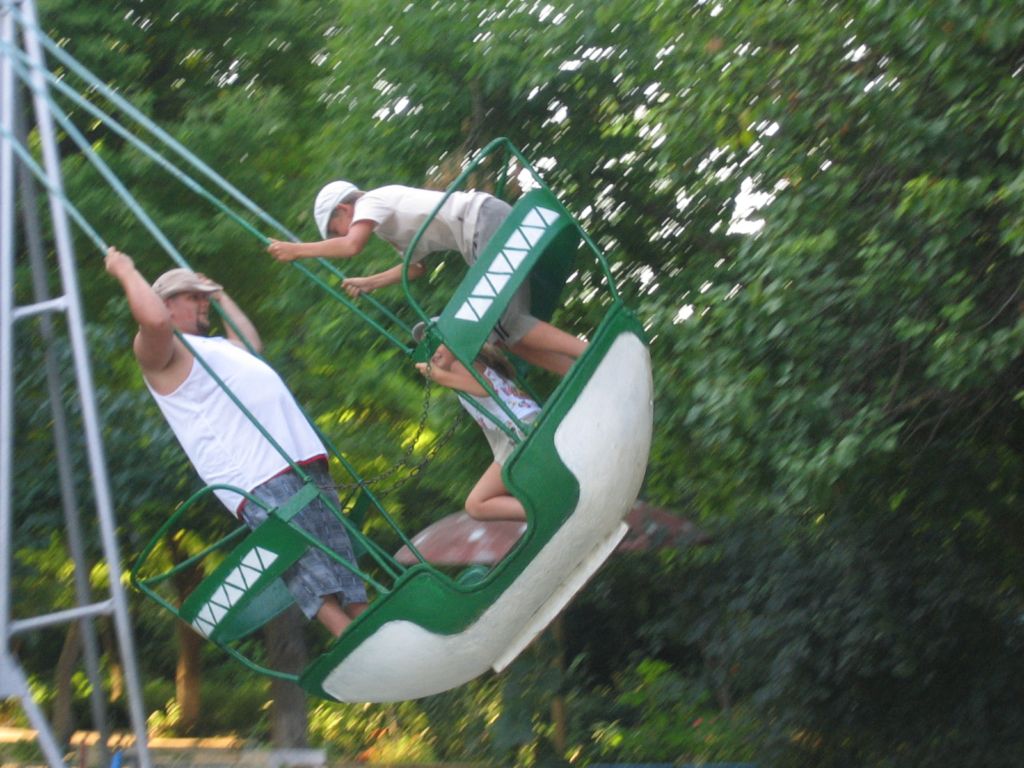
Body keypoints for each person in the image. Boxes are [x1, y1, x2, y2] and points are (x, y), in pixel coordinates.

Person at [104, 246, 368, 637]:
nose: (203, 304)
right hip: (257, 472)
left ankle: (367, 623)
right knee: (301, 556)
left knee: (336, 549)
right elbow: (155, 322)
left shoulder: (216, 346)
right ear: (167, 304)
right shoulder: (163, 354)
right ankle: (343, 632)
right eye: (193, 297)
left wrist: (220, 296)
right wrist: (126, 270)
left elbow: (250, 343)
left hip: (297, 457)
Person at [266, 181, 587, 375]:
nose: (338, 235)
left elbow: (351, 245)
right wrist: (370, 282)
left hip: (483, 221)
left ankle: (588, 355)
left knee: (508, 322)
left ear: (343, 209)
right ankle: (575, 374)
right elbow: (415, 268)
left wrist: (298, 250)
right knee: (501, 335)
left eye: (334, 228)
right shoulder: (386, 228)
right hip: (480, 235)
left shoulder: (371, 201)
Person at [413, 321, 540, 522]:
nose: (432, 352)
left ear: (452, 339)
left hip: (516, 429)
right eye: (426, 347)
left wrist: (438, 375)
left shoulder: (458, 363)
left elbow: (483, 387)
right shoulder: (471, 360)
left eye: (435, 342)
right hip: (521, 422)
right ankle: (538, 509)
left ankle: (541, 511)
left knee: (477, 504)